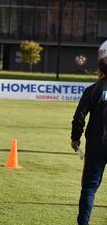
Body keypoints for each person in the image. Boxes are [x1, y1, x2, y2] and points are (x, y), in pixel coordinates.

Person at [71, 40, 107, 225]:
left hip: (95, 146)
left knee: (89, 188)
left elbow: (79, 117)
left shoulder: (92, 90)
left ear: (99, 71)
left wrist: (75, 138)